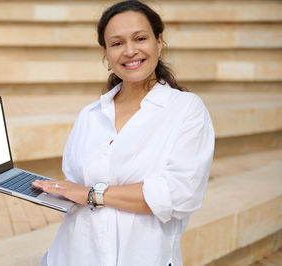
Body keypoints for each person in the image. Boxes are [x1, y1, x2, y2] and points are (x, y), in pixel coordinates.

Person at [32, 0, 215, 265]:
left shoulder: (186, 109)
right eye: (117, 43)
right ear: (106, 53)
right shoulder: (90, 115)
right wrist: (55, 191)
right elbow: (75, 190)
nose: (130, 51)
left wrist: (90, 194)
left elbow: (179, 195)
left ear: (159, 41)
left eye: (140, 38)